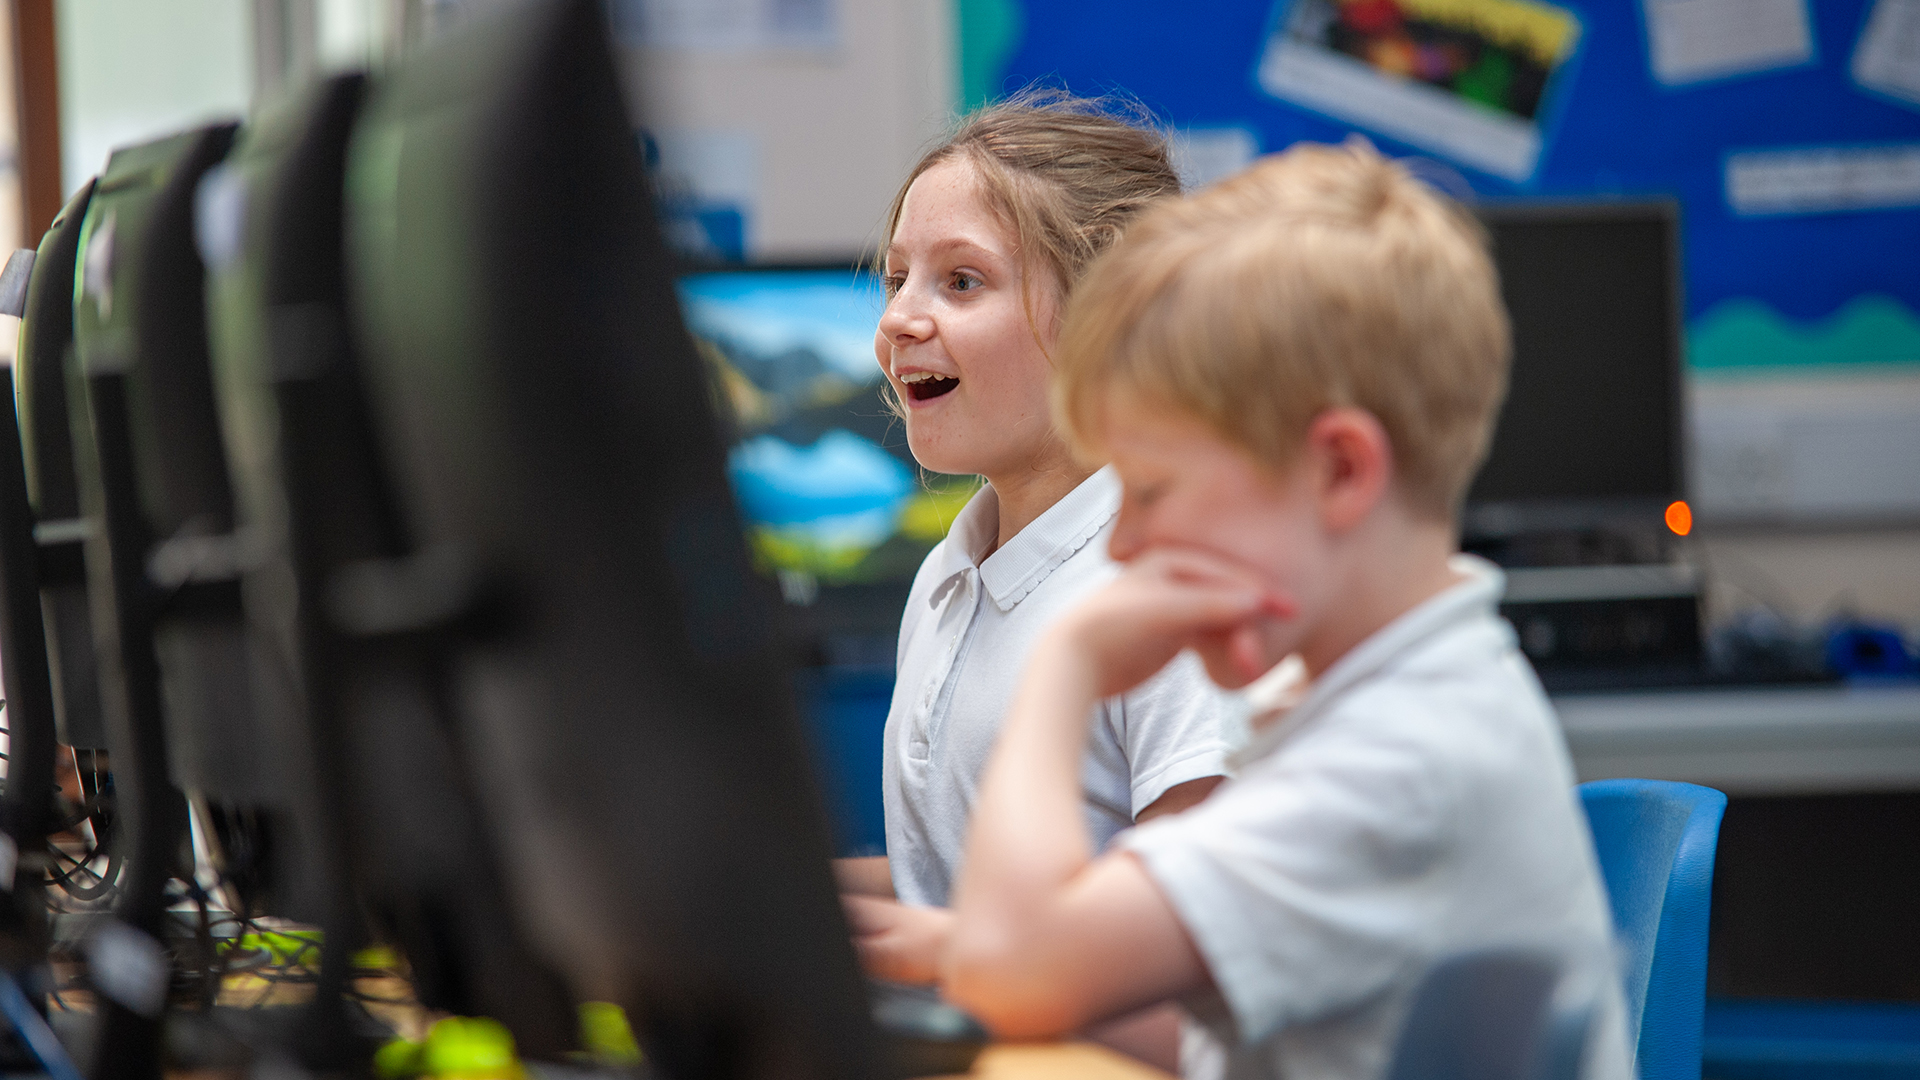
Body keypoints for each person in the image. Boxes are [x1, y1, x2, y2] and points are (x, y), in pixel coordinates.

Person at [933, 141, 1634, 1080]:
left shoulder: (1398, 763)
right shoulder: (1402, 696)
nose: (1125, 545)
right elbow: (1205, 1027)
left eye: (1154, 489)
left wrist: (1067, 666)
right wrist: (938, 950)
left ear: (1339, 471)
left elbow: (1010, 974)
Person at [836, 93, 1234, 989]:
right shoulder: (947, 576)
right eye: (897, 279)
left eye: (960, 282)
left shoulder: (1174, 590)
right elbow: (946, 890)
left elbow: (1191, 951)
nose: (898, 319)